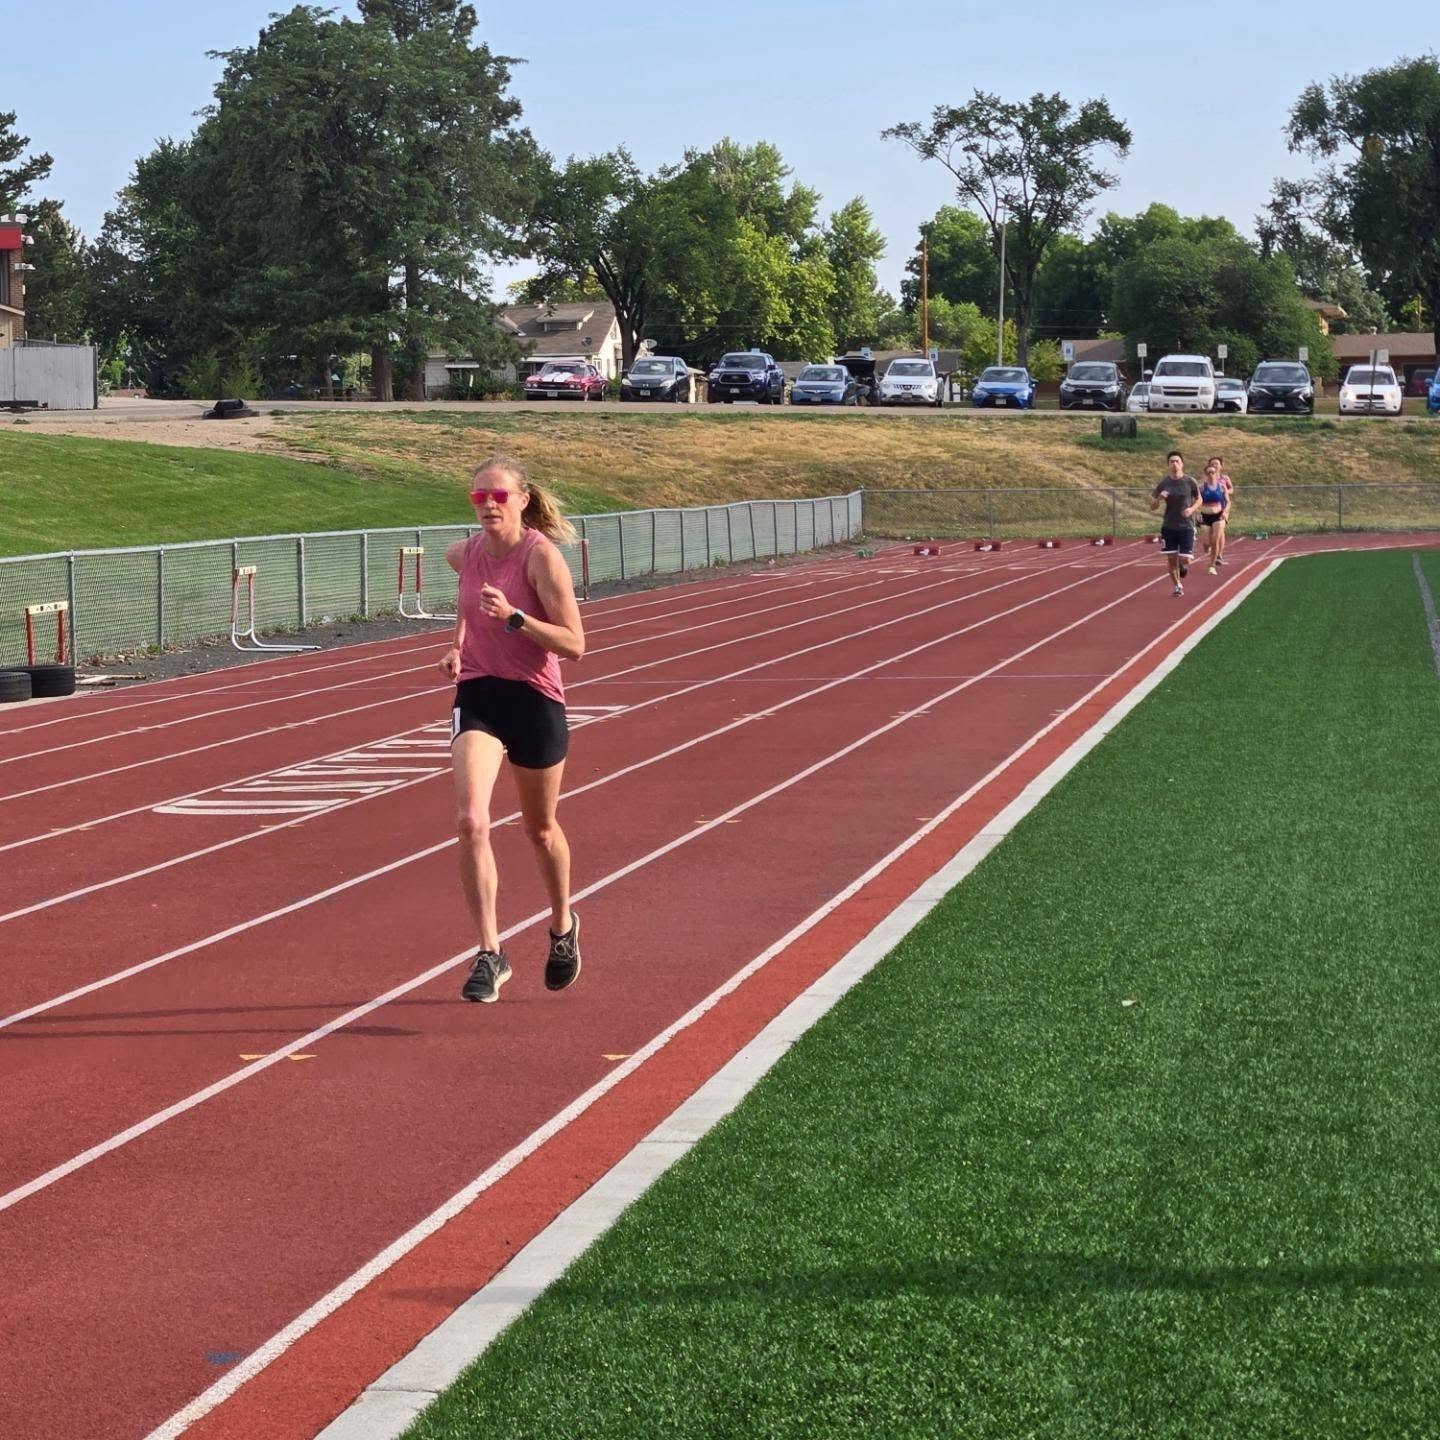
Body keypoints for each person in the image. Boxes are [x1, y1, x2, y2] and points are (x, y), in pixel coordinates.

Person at [439, 456, 586, 1003]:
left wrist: (515, 619)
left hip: (534, 698)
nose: (489, 506)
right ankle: (489, 952)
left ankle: (563, 927)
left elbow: (575, 644)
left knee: (540, 829)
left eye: (499, 496)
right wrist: (456, 644)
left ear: (523, 500)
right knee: (471, 820)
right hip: (479, 694)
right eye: (479, 498)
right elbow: (465, 596)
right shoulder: (465, 552)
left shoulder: (541, 559)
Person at [1149, 450, 1201, 597]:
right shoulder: (1164, 483)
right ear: (1168, 465)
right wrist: (1159, 498)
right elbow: (1152, 506)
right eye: (1171, 462)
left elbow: (1199, 499)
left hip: (1186, 525)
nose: (1174, 464)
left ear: (1182, 464)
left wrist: (1191, 509)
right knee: (1171, 559)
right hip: (1169, 526)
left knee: (1185, 559)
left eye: (1177, 461)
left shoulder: (1189, 481)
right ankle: (1178, 586)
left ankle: (1183, 565)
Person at [1199, 456, 1233, 574]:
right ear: (1206, 473)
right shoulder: (1202, 487)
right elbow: (1196, 501)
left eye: (1213, 472)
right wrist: (1197, 511)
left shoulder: (1223, 483)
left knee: (1216, 538)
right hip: (1205, 515)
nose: (1211, 474)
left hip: (1219, 513)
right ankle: (1210, 549)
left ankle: (1213, 563)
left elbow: (1228, 501)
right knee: (1206, 543)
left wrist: (1225, 511)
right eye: (1209, 472)